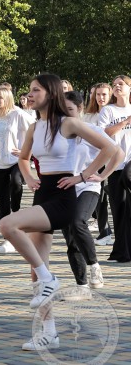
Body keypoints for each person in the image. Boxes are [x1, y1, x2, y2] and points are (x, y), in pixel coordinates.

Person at [0, 74, 115, 351]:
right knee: (36, 269)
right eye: (29, 91)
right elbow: (24, 158)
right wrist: (28, 178)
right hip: (43, 192)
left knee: (7, 225)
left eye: (35, 90)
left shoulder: (70, 123)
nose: (30, 94)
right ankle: (48, 332)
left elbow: (109, 148)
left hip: (64, 196)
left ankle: (50, 279)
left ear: (50, 94)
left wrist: (83, 176)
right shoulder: (34, 127)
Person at [62, 91, 119, 297]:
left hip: (88, 187)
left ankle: (94, 265)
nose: (65, 115)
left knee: (78, 222)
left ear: (80, 109)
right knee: (71, 239)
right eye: (61, 110)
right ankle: (82, 286)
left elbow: (116, 152)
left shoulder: (92, 130)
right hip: (64, 190)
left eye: (69, 110)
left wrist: (103, 175)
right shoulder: (58, 133)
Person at [0, 87, 34, 252]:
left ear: (8, 99)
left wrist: (26, 150)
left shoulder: (17, 114)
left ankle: (16, 213)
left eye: (0, 98)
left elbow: (35, 129)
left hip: (15, 160)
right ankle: (8, 239)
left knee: (16, 183)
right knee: (2, 202)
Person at [96, 75, 131, 263]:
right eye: (115, 84)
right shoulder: (108, 111)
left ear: (129, 89)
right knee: (119, 208)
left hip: (130, 165)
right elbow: (102, 134)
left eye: (121, 84)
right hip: (115, 165)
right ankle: (122, 251)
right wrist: (125, 122)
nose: (117, 87)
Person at [84, 83, 113, 245]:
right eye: (98, 95)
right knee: (100, 197)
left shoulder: (114, 112)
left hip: (115, 160)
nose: (101, 98)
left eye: (104, 95)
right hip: (95, 160)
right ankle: (105, 231)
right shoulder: (88, 116)